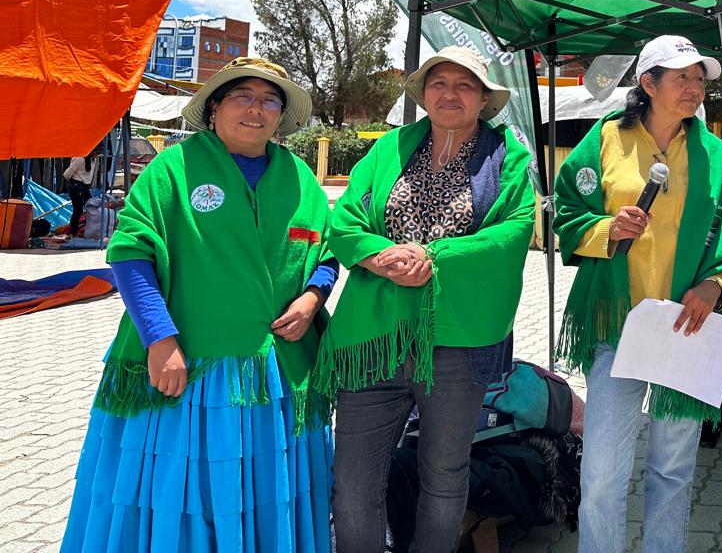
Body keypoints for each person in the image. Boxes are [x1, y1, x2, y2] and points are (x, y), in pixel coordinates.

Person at [62, 57, 336, 553]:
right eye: (242, 96)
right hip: (189, 369)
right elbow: (130, 253)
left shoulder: (297, 175)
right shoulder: (174, 169)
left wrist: (314, 297)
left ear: (281, 115)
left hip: (275, 375)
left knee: (265, 488)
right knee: (183, 491)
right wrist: (159, 340)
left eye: (269, 100)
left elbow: (326, 250)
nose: (256, 109)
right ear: (214, 108)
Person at [319, 45, 535, 552]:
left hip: (456, 342)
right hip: (375, 337)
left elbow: (513, 231)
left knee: (443, 477)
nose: (450, 93)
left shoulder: (507, 157)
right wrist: (378, 257)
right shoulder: (390, 149)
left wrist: (430, 256)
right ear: (424, 94)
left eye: (465, 85)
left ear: (484, 99)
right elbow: (345, 219)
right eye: (439, 83)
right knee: (352, 482)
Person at [555, 35, 722, 553]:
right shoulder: (604, 140)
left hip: (684, 329)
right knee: (603, 470)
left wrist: (715, 286)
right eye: (682, 78)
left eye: (700, 78)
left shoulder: (715, 154)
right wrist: (607, 228)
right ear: (648, 84)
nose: (695, 88)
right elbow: (565, 211)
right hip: (616, 324)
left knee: (673, 469)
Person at [62, 151, 96, 236]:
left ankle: (86, 230)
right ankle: (74, 233)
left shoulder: (93, 159)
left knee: (90, 207)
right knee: (78, 210)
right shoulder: (79, 158)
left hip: (84, 186)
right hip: (76, 185)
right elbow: (67, 174)